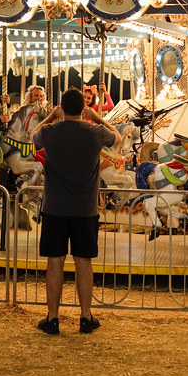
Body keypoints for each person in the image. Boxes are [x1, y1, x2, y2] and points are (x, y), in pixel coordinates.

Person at [32, 88, 122, 335]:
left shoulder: (50, 131)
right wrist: (98, 117)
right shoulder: (94, 132)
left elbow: (33, 136)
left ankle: (52, 318)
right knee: (84, 262)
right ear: (84, 108)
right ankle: (85, 316)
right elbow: (119, 137)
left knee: (55, 261)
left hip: (55, 207)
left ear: (61, 107)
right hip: (85, 208)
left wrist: (51, 117)